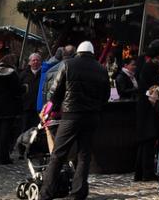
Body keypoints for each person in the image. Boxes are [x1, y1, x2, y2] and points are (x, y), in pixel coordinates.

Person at [39, 41, 110, 200]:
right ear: (92, 53)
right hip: (91, 117)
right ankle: (78, 193)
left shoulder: (68, 64)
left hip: (71, 115)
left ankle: (46, 193)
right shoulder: (102, 69)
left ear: (78, 52)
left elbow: (55, 91)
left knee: (58, 154)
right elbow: (105, 96)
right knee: (84, 155)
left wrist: (52, 108)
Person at [134, 39, 159, 182]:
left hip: (143, 107)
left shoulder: (145, 65)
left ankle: (139, 172)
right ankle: (147, 172)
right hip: (149, 108)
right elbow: (155, 87)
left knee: (144, 141)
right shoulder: (151, 68)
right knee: (148, 140)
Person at [0, 54, 22, 164]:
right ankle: (3, 157)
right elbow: (17, 90)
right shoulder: (12, 74)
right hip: (7, 106)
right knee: (4, 133)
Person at [19, 52, 42, 132]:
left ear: (40, 62)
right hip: (26, 106)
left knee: (37, 129)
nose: (35, 62)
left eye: (37, 60)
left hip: (39, 107)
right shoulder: (23, 74)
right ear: (29, 62)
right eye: (33, 60)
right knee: (25, 128)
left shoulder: (44, 74)